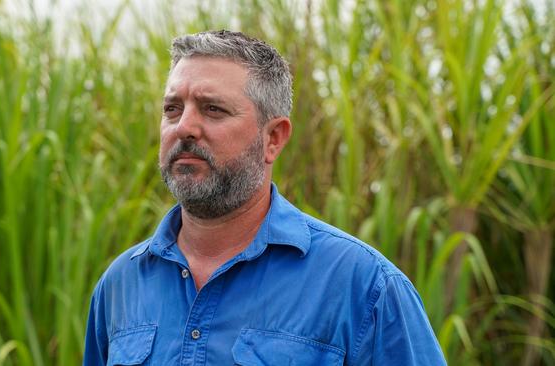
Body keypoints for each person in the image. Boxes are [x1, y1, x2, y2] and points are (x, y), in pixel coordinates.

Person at [83, 30, 446, 365]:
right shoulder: (120, 285)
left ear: (273, 138)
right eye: (172, 109)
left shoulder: (364, 286)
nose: (185, 127)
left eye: (213, 109)